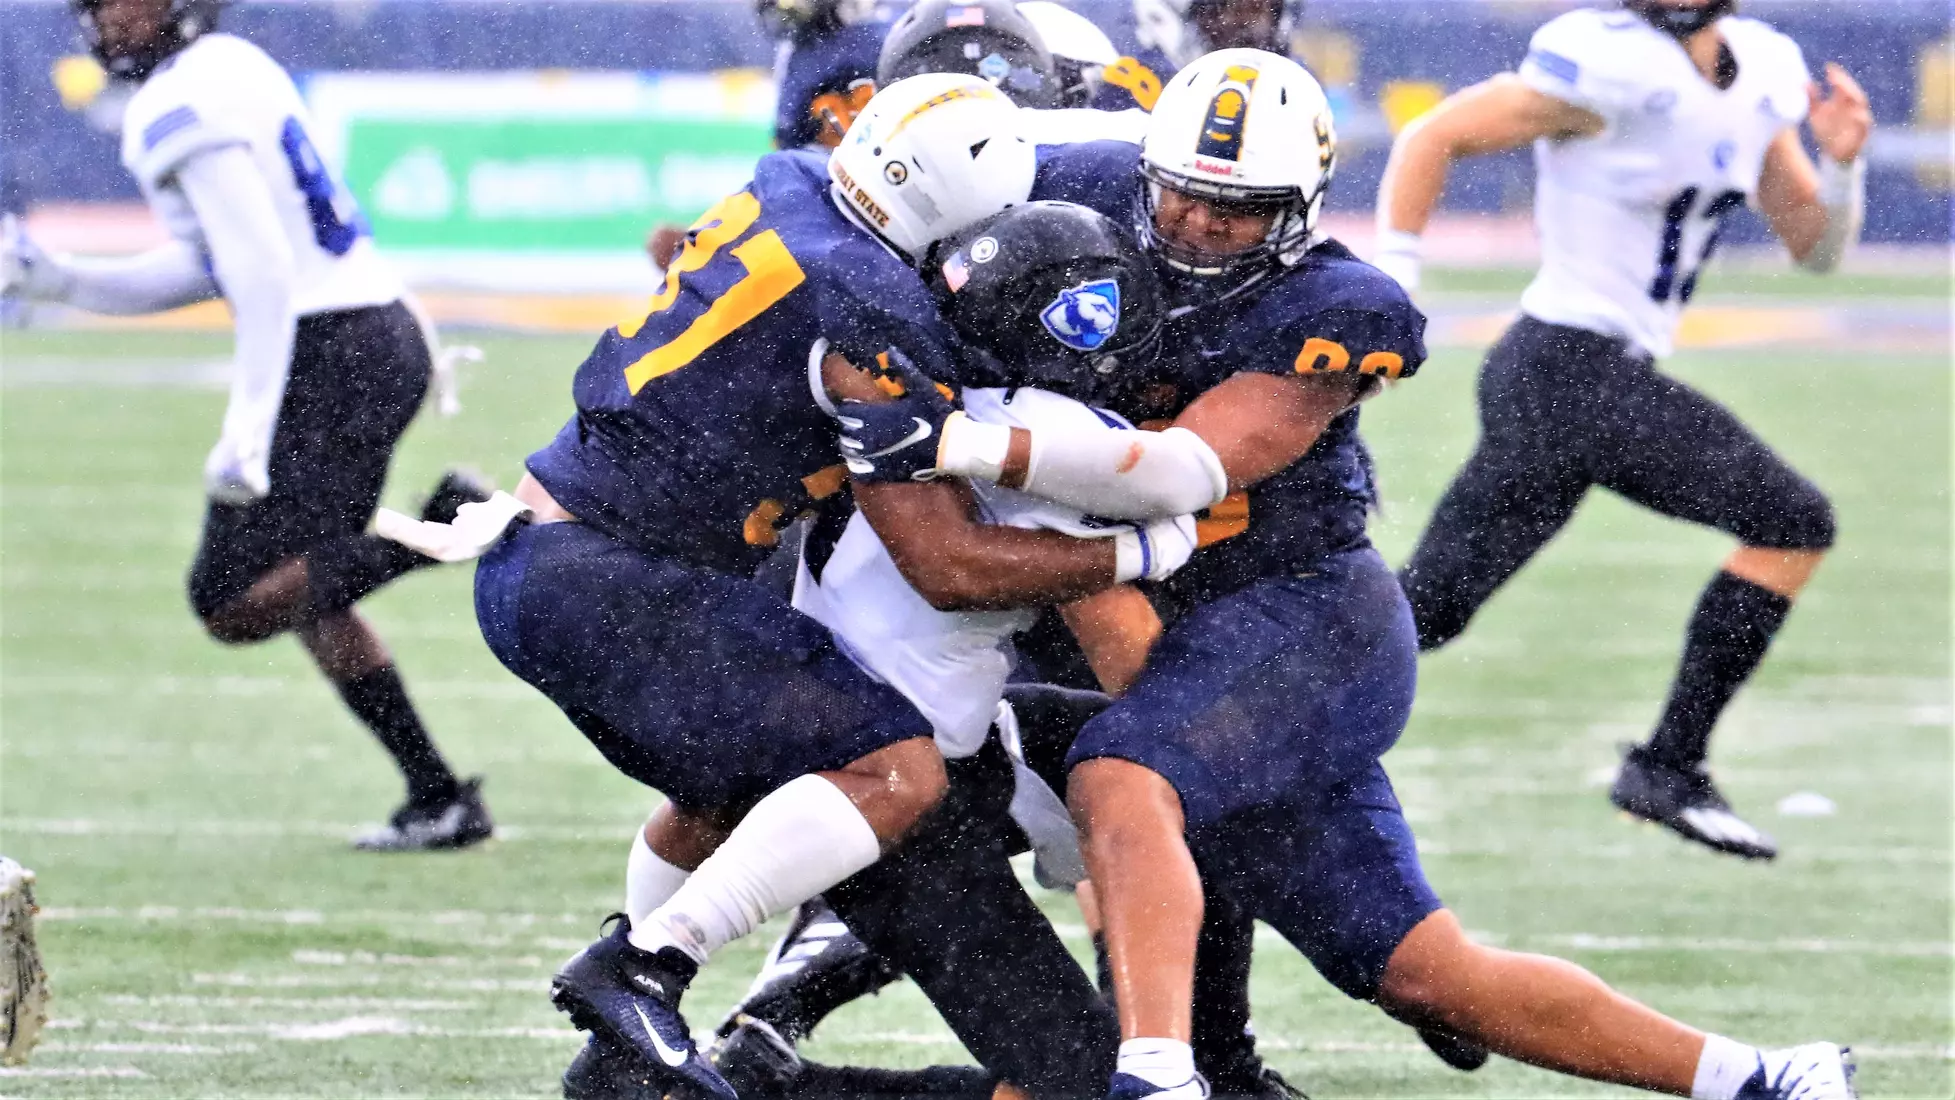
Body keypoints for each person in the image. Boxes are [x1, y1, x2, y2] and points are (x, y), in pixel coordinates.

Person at [888, 48, 1857, 1100]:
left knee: (1120, 772)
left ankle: (1157, 1076)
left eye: (1240, 209)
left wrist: (987, 443)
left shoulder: (1334, 308)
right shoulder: (1068, 188)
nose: (1200, 225)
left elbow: (1180, 472)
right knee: (1426, 975)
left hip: (1305, 623)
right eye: (1184, 195)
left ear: (1298, 207)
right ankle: (1763, 1075)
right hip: (1185, 643)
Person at [453, 74, 1196, 1099]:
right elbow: (949, 565)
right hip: (609, 575)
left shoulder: (792, 180)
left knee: (720, 789)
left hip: (547, 544)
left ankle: (619, 1054)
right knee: (901, 770)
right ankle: (645, 966)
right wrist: (1142, 551)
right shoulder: (878, 319)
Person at [1374, 0, 1872, 860]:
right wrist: (1393, 285)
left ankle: (1227, 694)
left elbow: (1811, 247)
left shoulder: (1758, 73)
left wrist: (1841, 168)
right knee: (1793, 519)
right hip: (1564, 367)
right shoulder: (1607, 64)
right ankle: (1667, 766)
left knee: (1427, 609)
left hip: (1579, 378)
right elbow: (1431, 137)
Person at [0, 0, 494, 851]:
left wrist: (248, 428)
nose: (96, 18)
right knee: (302, 582)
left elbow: (262, 272)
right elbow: (217, 264)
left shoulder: (175, 104)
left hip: (336, 353)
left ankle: (449, 523)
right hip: (369, 337)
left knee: (228, 600)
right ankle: (437, 795)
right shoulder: (228, 64)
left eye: (112, 1)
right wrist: (63, 280)